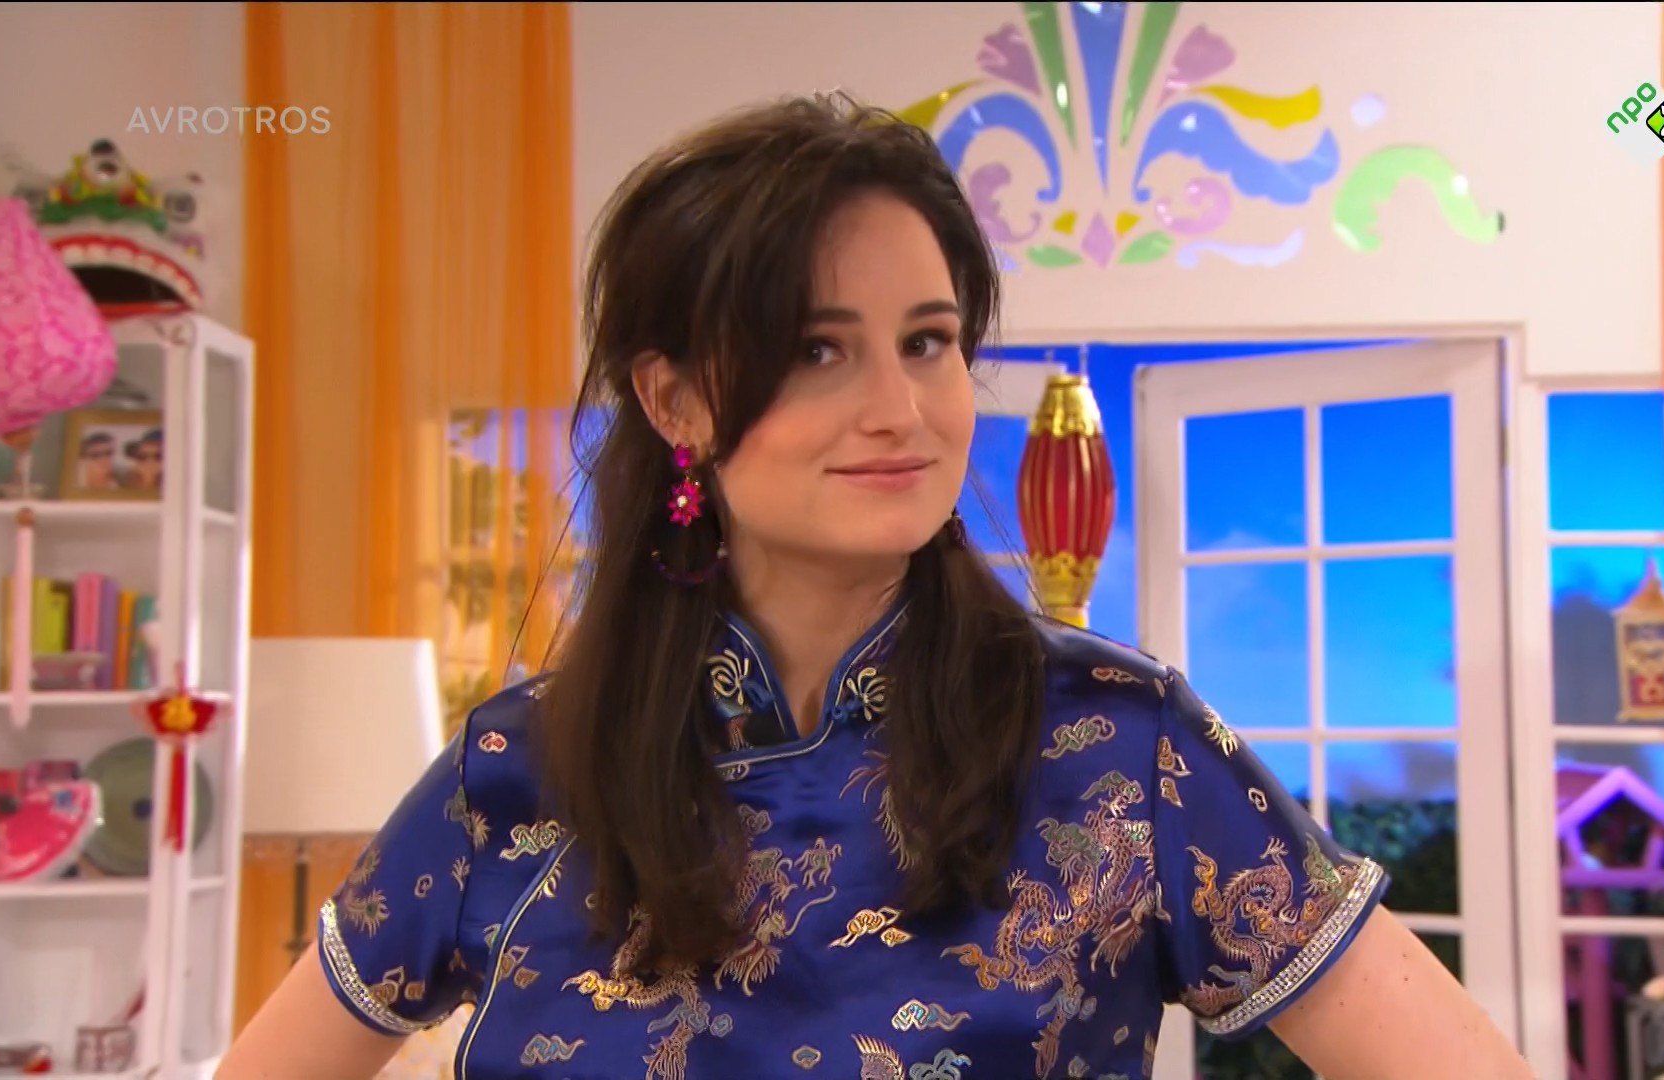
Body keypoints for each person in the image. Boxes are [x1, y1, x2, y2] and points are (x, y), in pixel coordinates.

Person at [219, 93, 1535, 1080]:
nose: (901, 409)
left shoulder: (1121, 748)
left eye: (929, 341)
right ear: (674, 402)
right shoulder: (518, 769)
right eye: (816, 349)